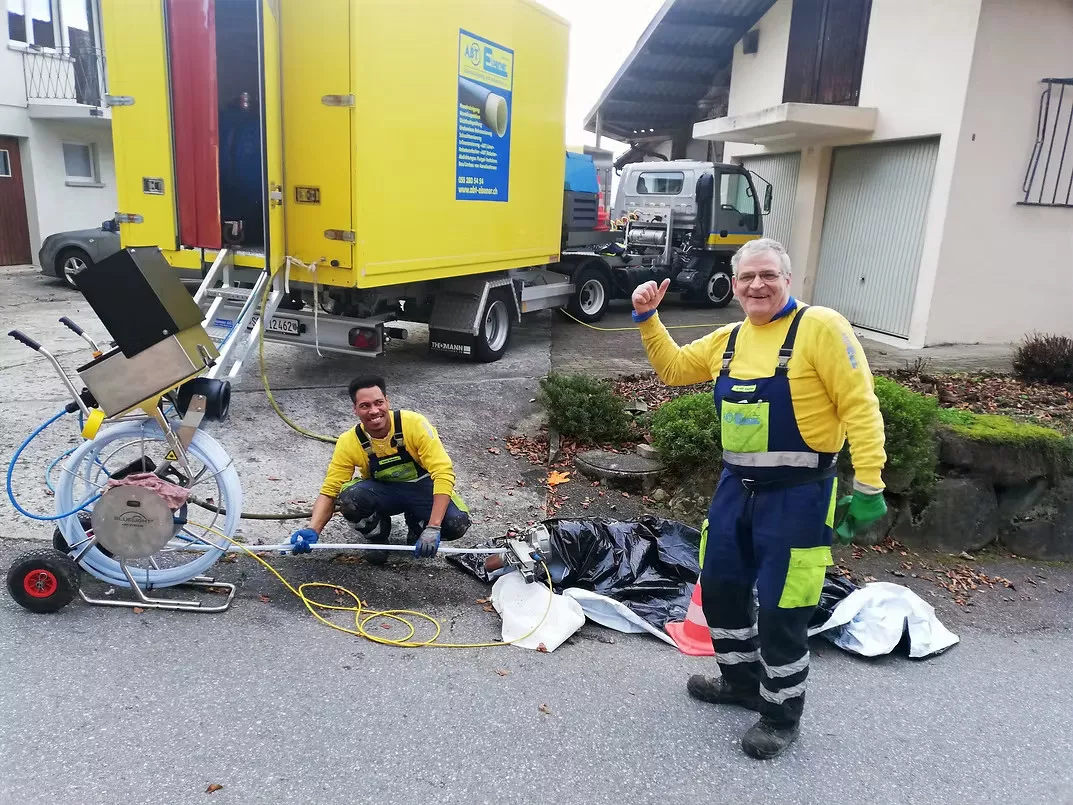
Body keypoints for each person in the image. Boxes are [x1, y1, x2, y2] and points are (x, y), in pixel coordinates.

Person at [631, 238, 887, 759]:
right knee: (722, 589)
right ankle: (740, 682)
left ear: (787, 280)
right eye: (747, 277)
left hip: (799, 498)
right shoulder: (730, 340)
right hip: (735, 490)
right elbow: (676, 370)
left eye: (768, 274)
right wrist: (647, 318)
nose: (757, 285)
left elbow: (860, 406)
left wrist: (869, 485)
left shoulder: (820, 328)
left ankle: (780, 714)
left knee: (782, 608)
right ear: (735, 284)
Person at [288, 376, 471, 563]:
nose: (374, 411)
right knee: (350, 500)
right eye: (365, 406)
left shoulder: (415, 425)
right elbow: (330, 490)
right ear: (355, 409)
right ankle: (377, 537)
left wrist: (433, 527)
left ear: (387, 401)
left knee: (455, 525)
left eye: (379, 403)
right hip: (383, 492)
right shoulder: (349, 442)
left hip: (422, 490)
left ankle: (418, 528)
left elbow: (443, 473)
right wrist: (313, 530)